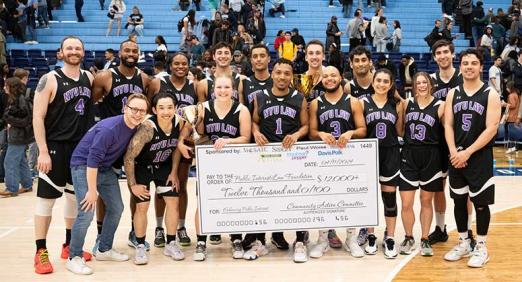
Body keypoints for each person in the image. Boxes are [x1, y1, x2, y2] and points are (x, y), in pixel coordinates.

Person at [66, 93, 149, 275]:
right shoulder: (109, 129)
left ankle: (104, 249)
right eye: (134, 109)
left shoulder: (137, 126)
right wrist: (92, 190)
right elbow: (92, 159)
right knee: (86, 212)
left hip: (105, 168)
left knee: (117, 208)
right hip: (83, 166)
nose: (137, 113)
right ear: (124, 108)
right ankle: (74, 257)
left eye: (142, 110)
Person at [32, 36, 95, 274]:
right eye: (69, 48)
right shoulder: (49, 79)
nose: (73, 51)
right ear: (60, 52)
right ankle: (40, 251)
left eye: (77, 48)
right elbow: (37, 116)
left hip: (79, 150)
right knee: (46, 201)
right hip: (55, 148)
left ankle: (69, 245)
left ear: (83, 52)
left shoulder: (88, 77)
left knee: (73, 199)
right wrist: (43, 151)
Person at [176, 75, 252, 261]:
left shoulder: (241, 110)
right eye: (219, 87)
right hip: (208, 162)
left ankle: (235, 238)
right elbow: (186, 130)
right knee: (203, 202)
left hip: (234, 162)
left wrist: (227, 141)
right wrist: (180, 143)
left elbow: (246, 138)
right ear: (213, 90)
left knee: (233, 203)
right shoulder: (202, 108)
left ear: (233, 89)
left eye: (227, 87)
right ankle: (201, 241)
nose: (223, 90)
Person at [443, 48, 501, 268]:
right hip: (456, 156)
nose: (469, 66)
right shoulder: (453, 93)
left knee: (480, 204)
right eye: (465, 63)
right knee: (458, 201)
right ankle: (464, 242)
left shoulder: (490, 94)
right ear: (461, 66)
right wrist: (453, 152)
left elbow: (492, 128)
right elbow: (447, 124)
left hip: (479, 157)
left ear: (481, 67)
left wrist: (467, 152)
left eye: (473, 63)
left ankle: (482, 247)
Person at [92, 39, 151, 251]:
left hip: (134, 143)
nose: (131, 53)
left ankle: (136, 234)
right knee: (104, 195)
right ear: (120, 52)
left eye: (135, 50)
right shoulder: (105, 77)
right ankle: (101, 235)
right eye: (127, 49)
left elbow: (148, 109)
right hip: (112, 143)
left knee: (136, 189)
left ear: (139, 54)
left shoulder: (144, 79)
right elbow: (91, 105)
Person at [252, 58, 309, 262]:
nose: (282, 76)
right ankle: (261, 241)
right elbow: (254, 122)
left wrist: (296, 135)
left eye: (287, 73)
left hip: (292, 156)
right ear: (272, 73)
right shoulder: (260, 96)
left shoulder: (299, 98)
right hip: (267, 156)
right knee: (265, 199)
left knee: (298, 199)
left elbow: (305, 126)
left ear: (291, 76)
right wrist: (255, 132)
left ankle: (300, 240)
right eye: (278, 72)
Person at [308, 66, 367, 259]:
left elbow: (362, 129)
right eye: (325, 76)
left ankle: (351, 238)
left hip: (348, 157)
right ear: (321, 80)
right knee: (323, 199)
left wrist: (351, 132)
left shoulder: (353, 102)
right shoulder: (316, 103)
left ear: (340, 77)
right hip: (324, 159)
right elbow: (311, 132)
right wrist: (321, 134)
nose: (329, 79)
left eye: (333, 75)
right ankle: (323, 239)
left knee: (350, 199)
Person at [123, 92, 186, 264]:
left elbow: (175, 149)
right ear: (154, 110)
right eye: (161, 108)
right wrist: (133, 184)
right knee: (142, 206)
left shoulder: (179, 123)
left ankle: (171, 243)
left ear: (176, 108)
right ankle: (141, 246)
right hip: (142, 167)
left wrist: (174, 172)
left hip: (163, 167)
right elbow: (129, 156)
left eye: (170, 107)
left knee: (173, 202)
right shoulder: (148, 128)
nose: (166, 111)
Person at [147, 53, 200, 248]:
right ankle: (160, 228)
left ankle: (180, 226)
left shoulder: (195, 86)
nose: (180, 66)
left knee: (181, 185)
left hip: (184, 141)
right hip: (161, 142)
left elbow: (200, 114)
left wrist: (194, 139)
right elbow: (148, 110)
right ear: (170, 65)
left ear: (189, 65)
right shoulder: (157, 84)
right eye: (176, 63)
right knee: (161, 189)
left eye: (184, 63)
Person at [428, 40, 476, 247]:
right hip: (437, 142)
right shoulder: (429, 80)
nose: (442, 55)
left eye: (446, 51)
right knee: (438, 188)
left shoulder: (464, 75)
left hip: (463, 141)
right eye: (438, 53)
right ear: (434, 57)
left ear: (453, 54)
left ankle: (468, 231)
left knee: (465, 191)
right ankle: (440, 228)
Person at [399, 72, 445, 257]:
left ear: (430, 84)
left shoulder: (440, 105)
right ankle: (409, 236)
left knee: (426, 201)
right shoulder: (406, 103)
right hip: (409, 155)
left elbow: (447, 129)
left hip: (431, 157)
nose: (421, 85)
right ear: (414, 85)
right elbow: (400, 129)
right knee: (406, 203)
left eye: (424, 82)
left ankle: (425, 238)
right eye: (418, 83)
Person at [360, 68, 404, 258]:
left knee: (389, 199)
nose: (381, 84)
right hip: (369, 155)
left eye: (386, 81)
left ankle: (390, 237)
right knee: (369, 199)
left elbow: (400, 131)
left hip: (391, 154)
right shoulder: (362, 103)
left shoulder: (398, 104)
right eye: (378, 80)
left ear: (391, 84)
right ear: (373, 82)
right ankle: (371, 235)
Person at [0, 77, 34, 197]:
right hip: (16, 135)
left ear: (12, 87)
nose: (4, 87)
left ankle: (11, 188)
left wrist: (8, 119)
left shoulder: (21, 100)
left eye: (6, 85)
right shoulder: (15, 99)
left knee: (9, 162)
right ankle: (27, 185)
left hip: (19, 136)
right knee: (21, 161)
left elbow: (26, 120)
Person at [505, 81, 520, 154]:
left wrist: (504, 104)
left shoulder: (511, 95)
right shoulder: (516, 94)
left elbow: (512, 105)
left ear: (510, 88)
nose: (506, 89)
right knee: (515, 134)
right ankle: (515, 147)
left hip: (511, 117)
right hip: (515, 116)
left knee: (511, 134)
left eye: (507, 87)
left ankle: (511, 148)